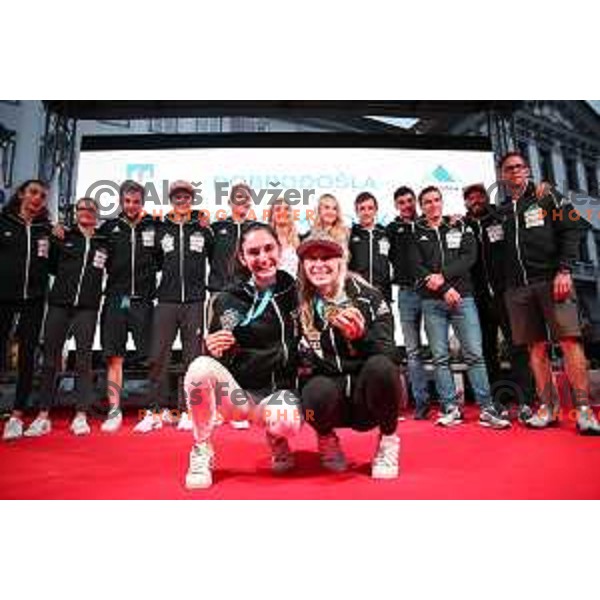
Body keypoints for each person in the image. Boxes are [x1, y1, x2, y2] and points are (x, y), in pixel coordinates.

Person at [183, 223, 301, 489]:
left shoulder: (296, 292)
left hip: (277, 396)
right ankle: (202, 448)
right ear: (243, 258)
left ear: (279, 250)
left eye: (268, 249)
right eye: (253, 252)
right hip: (241, 398)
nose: (262, 258)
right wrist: (212, 350)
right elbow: (217, 359)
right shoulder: (227, 300)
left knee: (287, 421)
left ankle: (276, 437)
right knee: (200, 367)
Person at [497, 151, 600, 434]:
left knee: (569, 342)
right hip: (519, 289)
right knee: (536, 348)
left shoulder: (547, 196)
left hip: (552, 280)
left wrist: (565, 269)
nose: (515, 171)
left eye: (519, 167)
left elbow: (573, 227)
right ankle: (548, 407)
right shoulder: (503, 210)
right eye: (509, 168)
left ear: (527, 170)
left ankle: (583, 410)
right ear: (502, 175)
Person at [297, 230, 402, 479]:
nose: (319, 265)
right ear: (303, 265)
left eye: (327, 258)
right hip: (325, 405)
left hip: (367, 402)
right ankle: (325, 437)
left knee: (383, 369)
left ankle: (388, 438)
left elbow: (391, 353)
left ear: (341, 260)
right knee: (311, 399)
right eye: (312, 259)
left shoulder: (369, 296)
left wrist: (361, 336)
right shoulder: (296, 301)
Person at [411, 186, 511, 429]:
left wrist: (442, 279)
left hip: (463, 298)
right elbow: (414, 264)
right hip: (432, 301)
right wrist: (443, 289)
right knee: (440, 357)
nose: (432, 205)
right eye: (427, 202)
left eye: (436, 200)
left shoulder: (460, 225)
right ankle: (450, 408)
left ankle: (486, 407)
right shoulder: (415, 231)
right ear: (421, 206)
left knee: (475, 355)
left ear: (442, 202)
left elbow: (469, 257)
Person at [24, 197, 108, 437]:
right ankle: (42, 415)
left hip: (88, 308)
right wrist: (54, 232)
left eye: (91, 209)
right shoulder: (63, 237)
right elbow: (48, 265)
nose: (86, 212)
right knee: (51, 360)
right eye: (82, 208)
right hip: (59, 305)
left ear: (97, 214)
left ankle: (81, 414)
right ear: (76, 213)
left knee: (83, 361)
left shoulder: (104, 242)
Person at [134, 181, 213, 433]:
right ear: (171, 199)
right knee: (158, 357)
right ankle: (157, 411)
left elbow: (216, 257)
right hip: (166, 300)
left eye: (186, 196)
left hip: (194, 301)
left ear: (191, 199)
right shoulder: (161, 228)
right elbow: (154, 261)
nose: (182, 200)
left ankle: (190, 411)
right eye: (177, 196)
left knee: (193, 360)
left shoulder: (202, 228)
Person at [463, 183, 535, 422]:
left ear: (486, 197)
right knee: (486, 351)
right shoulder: (462, 225)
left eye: (479, 196)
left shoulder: (500, 215)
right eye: (470, 198)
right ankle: (498, 401)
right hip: (479, 299)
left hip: (507, 294)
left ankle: (526, 400)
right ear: (466, 202)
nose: (476, 200)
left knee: (517, 347)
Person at [97, 180, 161, 433]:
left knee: (151, 358)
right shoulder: (109, 228)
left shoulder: (153, 227)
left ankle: (153, 411)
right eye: (127, 201)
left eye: (136, 201)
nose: (132, 206)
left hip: (143, 301)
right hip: (116, 299)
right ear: (121, 202)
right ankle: (114, 410)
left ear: (142, 203)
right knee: (115, 358)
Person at [1, 180, 53, 441]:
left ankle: (17, 415)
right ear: (21, 194)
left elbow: (55, 266)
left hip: (33, 300)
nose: (37, 198)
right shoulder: (4, 222)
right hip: (3, 298)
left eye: (42, 196)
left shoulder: (47, 231)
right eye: (33, 193)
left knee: (27, 358)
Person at [386, 186, 430, 419]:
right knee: (413, 351)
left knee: (438, 348)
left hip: (430, 292)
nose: (406, 205)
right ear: (396, 206)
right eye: (401, 202)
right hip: (405, 293)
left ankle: (447, 403)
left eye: (409, 201)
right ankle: (421, 404)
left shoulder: (428, 223)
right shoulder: (392, 229)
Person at [208, 182, 256, 292]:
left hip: (248, 294)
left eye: (247, 198)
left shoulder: (256, 229)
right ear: (230, 202)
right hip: (219, 291)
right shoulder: (216, 228)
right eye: (239, 197)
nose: (243, 201)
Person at [348, 192, 392, 301]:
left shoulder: (386, 233)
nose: (366, 212)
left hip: (382, 294)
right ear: (356, 211)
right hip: (357, 294)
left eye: (370, 208)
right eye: (362, 209)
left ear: (376, 210)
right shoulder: (350, 234)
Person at [268, 196, 300, 278]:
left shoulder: (300, 241)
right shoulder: (265, 240)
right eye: (278, 209)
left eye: (286, 209)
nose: (283, 212)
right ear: (272, 215)